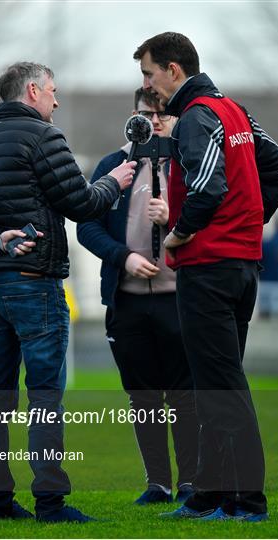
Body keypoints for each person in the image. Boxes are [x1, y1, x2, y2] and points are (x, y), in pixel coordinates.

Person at [0, 62, 136, 523]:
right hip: (36, 285)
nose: (56, 100)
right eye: (52, 91)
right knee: (45, 395)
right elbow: (80, 203)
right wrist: (115, 182)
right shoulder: (44, 138)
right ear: (32, 90)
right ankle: (50, 502)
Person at [133, 32, 278, 521]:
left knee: (221, 387)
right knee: (212, 382)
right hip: (243, 266)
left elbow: (206, 187)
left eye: (148, 73)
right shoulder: (235, 111)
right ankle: (209, 491)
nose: (147, 84)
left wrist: (178, 234)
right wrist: (246, 221)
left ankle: (248, 499)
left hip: (209, 268)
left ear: (174, 70)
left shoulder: (197, 116)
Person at [77, 88, 199, 505]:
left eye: (167, 113)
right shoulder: (113, 165)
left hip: (177, 298)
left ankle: (190, 482)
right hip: (126, 300)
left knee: (183, 393)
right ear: (136, 116)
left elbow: (211, 215)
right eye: (151, 113)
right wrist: (123, 257)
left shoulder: (188, 165)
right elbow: (86, 226)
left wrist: (176, 219)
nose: (159, 120)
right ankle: (157, 483)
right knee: (143, 395)